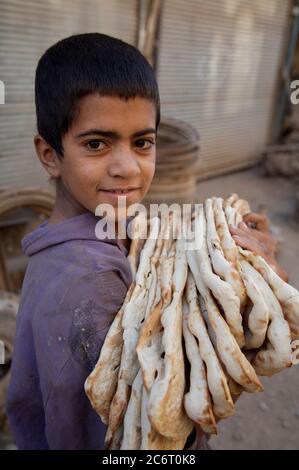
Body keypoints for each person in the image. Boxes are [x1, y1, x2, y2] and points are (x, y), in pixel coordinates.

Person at [6, 33, 287, 450]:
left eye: (142, 142)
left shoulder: (103, 227)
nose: (126, 168)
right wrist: (264, 295)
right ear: (49, 154)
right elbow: (138, 435)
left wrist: (237, 257)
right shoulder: (89, 286)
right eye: (96, 144)